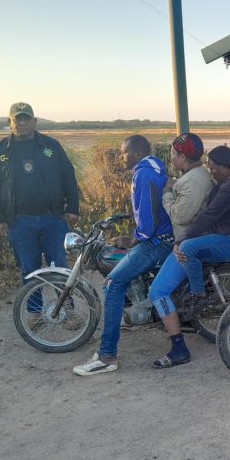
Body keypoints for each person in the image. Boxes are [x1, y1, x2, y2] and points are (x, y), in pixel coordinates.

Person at [148, 146, 230, 368]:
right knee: (189, 248)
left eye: (213, 168)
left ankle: (198, 296)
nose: (211, 172)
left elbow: (209, 215)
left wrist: (181, 241)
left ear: (224, 167)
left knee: (187, 251)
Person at [73, 135, 173, 376]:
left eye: (124, 152)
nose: (121, 157)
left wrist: (134, 238)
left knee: (113, 285)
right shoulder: (156, 167)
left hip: (155, 242)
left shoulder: (143, 174)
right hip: (165, 237)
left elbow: (148, 219)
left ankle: (107, 356)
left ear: (137, 153)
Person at [0, 102, 79, 316]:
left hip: (53, 218)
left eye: (27, 118)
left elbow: (68, 175)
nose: (23, 122)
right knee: (30, 271)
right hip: (20, 222)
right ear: (10, 122)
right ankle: (35, 314)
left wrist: (73, 207)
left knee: (59, 267)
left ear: (35, 121)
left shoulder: (51, 146)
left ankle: (67, 311)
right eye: (18, 119)